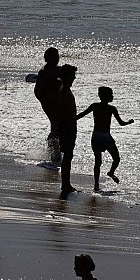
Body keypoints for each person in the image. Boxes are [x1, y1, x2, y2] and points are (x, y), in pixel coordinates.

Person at [77, 87, 134, 192]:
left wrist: (71, 119)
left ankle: (97, 184)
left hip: (96, 136)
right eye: (111, 95)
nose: (112, 96)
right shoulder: (111, 109)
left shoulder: (96, 106)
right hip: (105, 137)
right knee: (115, 158)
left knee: (98, 162)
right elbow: (121, 123)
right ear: (105, 96)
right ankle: (109, 174)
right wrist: (129, 122)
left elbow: (81, 115)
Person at [34, 47, 62, 166]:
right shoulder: (44, 71)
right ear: (48, 58)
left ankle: (54, 152)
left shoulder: (58, 69)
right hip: (48, 102)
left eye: (58, 56)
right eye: (55, 56)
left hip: (58, 101)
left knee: (57, 124)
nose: (57, 58)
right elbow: (37, 90)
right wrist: (45, 101)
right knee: (55, 123)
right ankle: (53, 153)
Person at [58, 64, 78, 197]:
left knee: (68, 156)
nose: (74, 78)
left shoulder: (64, 90)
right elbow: (64, 113)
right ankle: (65, 185)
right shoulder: (64, 91)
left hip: (68, 126)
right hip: (67, 127)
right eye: (72, 76)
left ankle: (66, 184)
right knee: (67, 156)